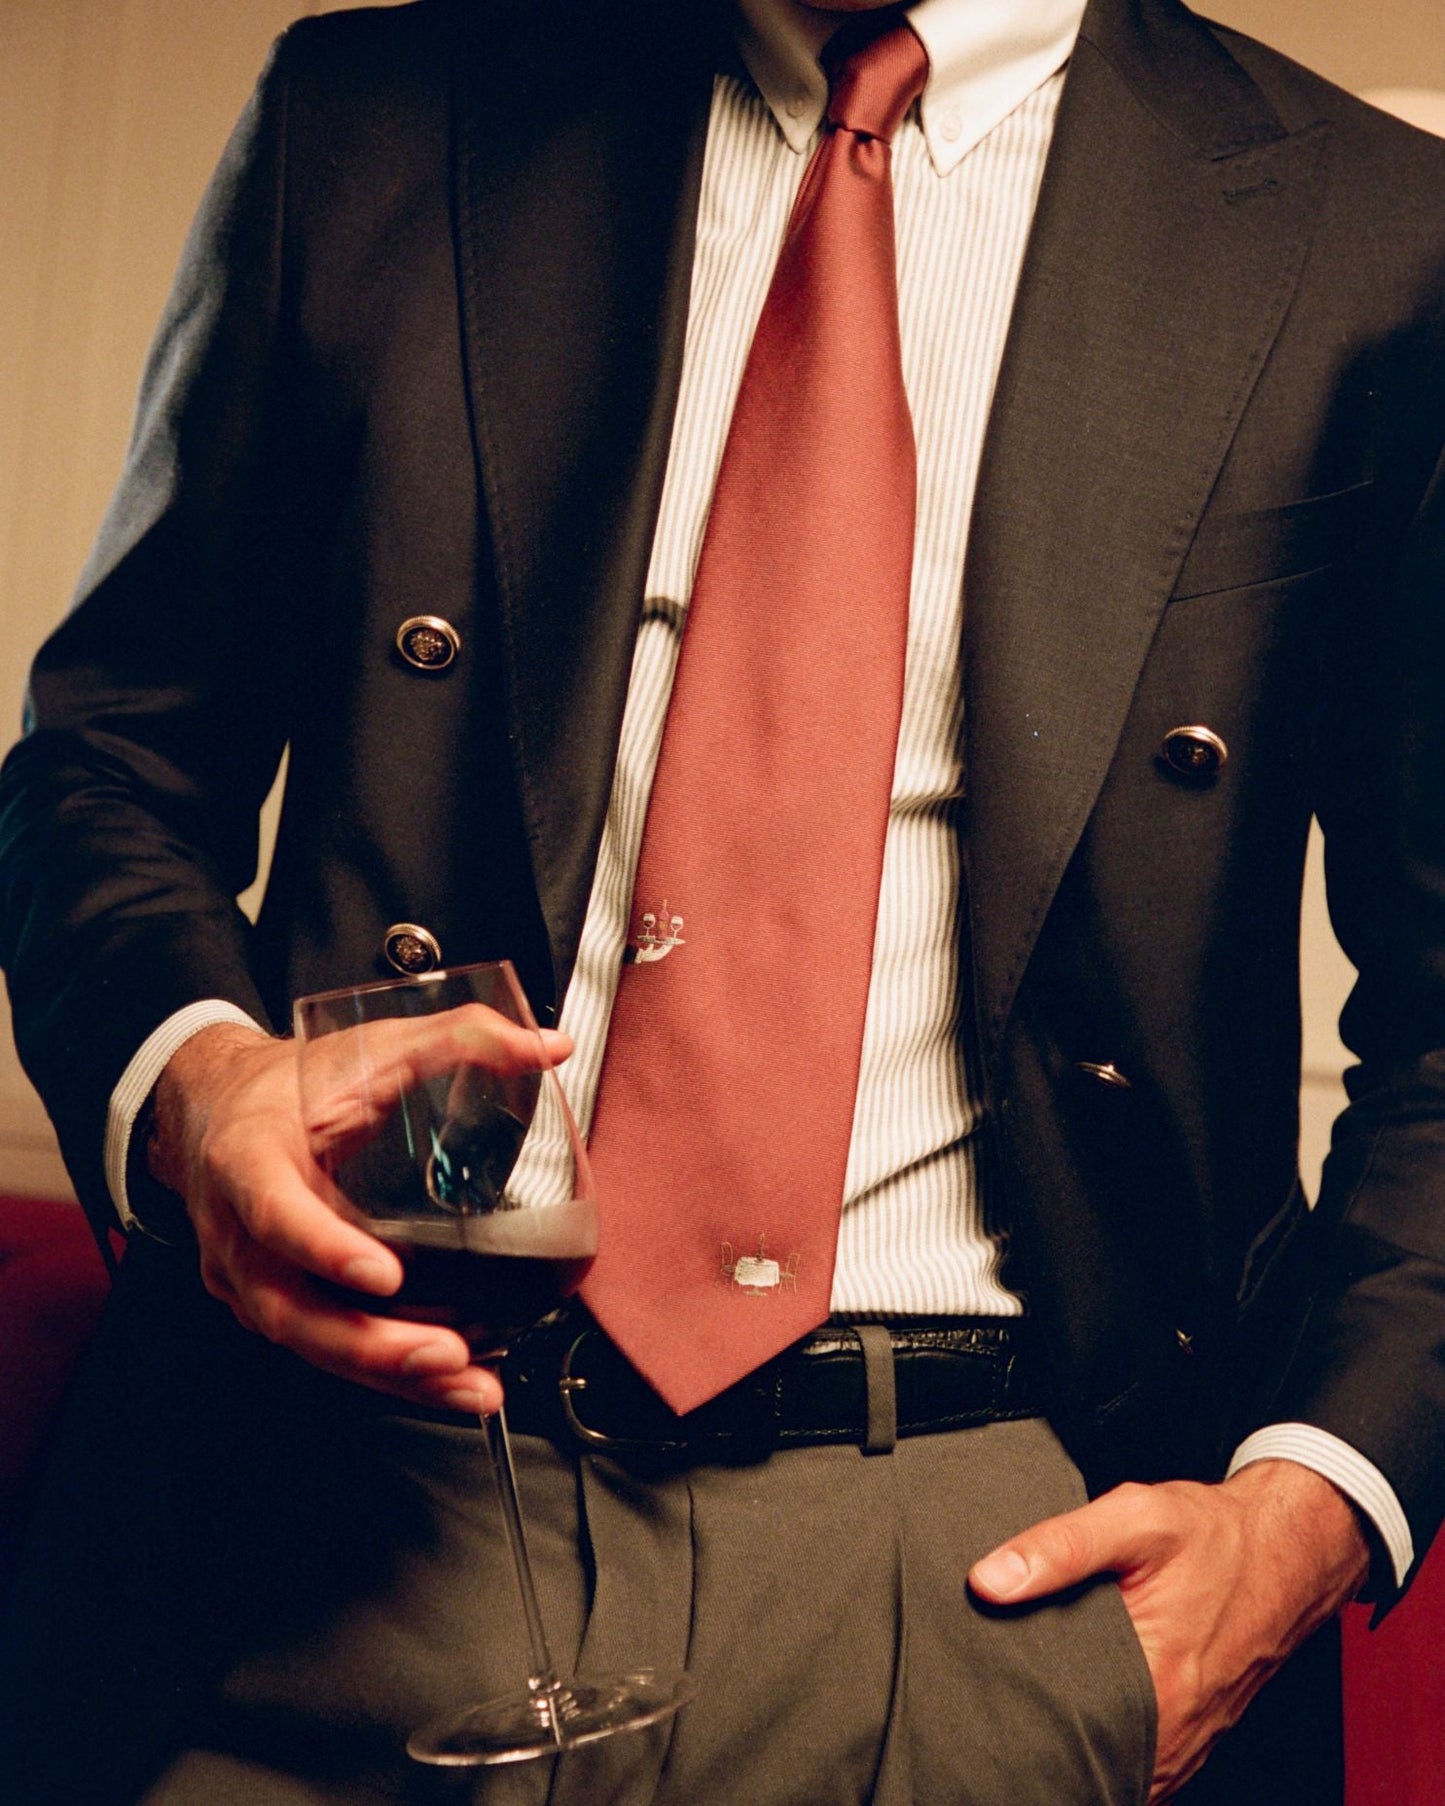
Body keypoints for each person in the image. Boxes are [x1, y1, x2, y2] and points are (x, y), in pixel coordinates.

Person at [2, 0, 1443, 1800]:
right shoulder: (367, 117)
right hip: (338, 1504)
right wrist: (195, 1084)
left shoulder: (1375, 230)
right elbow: (106, 766)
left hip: (999, 1554)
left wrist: (1308, 1504)